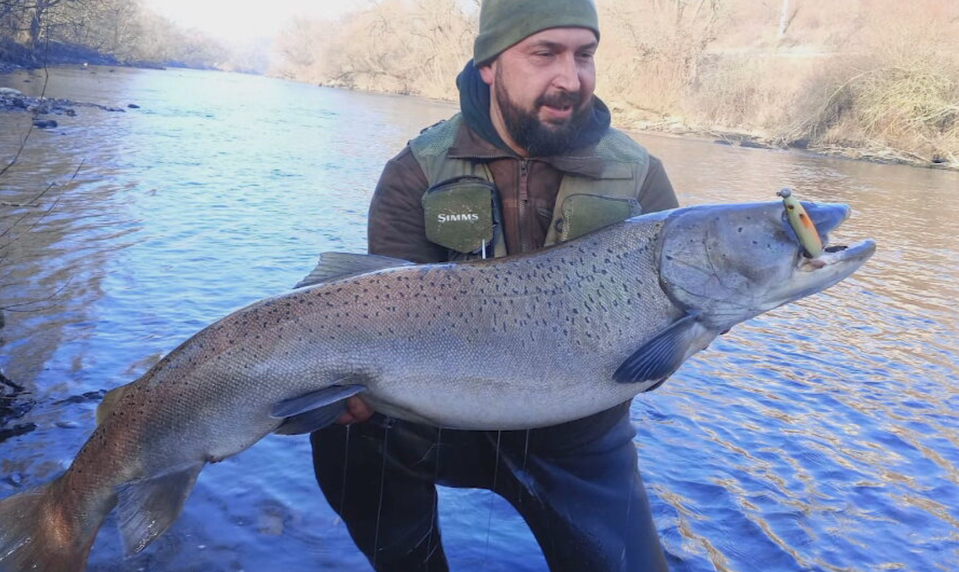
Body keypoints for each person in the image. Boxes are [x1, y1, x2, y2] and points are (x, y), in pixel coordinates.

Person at [310, 0, 679, 570]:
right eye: (544, 54)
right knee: (344, 430)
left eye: (584, 55)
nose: (570, 77)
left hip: (579, 436)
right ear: (489, 64)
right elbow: (388, 316)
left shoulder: (640, 177)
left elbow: (666, 342)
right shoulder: (417, 171)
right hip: (435, 415)